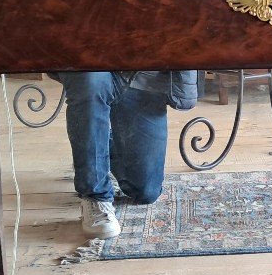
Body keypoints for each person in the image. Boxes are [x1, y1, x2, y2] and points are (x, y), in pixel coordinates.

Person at [51, 70, 198, 238]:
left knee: (146, 191)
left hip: (144, 72)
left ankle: (94, 144)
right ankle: (95, 196)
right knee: (90, 82)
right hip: (89, 66)